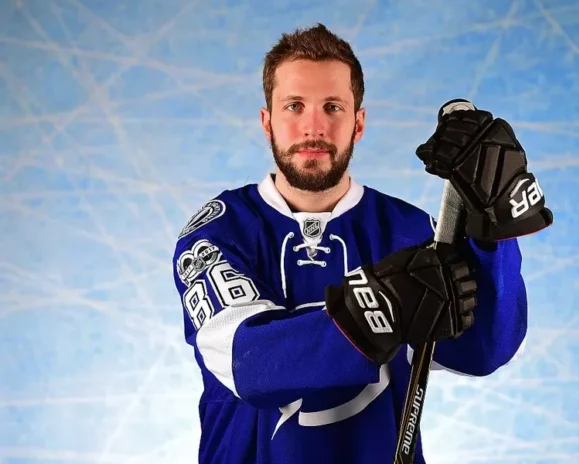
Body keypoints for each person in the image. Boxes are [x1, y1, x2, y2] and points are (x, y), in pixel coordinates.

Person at [171, 23, 553, 464]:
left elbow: (484, 349)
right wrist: (382, 309)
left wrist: (492, 234)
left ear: (359, 123)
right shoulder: (218, 232)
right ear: (266, 121)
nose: (313, 126)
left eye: (332, 107)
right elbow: (249, 364)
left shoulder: (411, 232)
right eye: (294, 106)